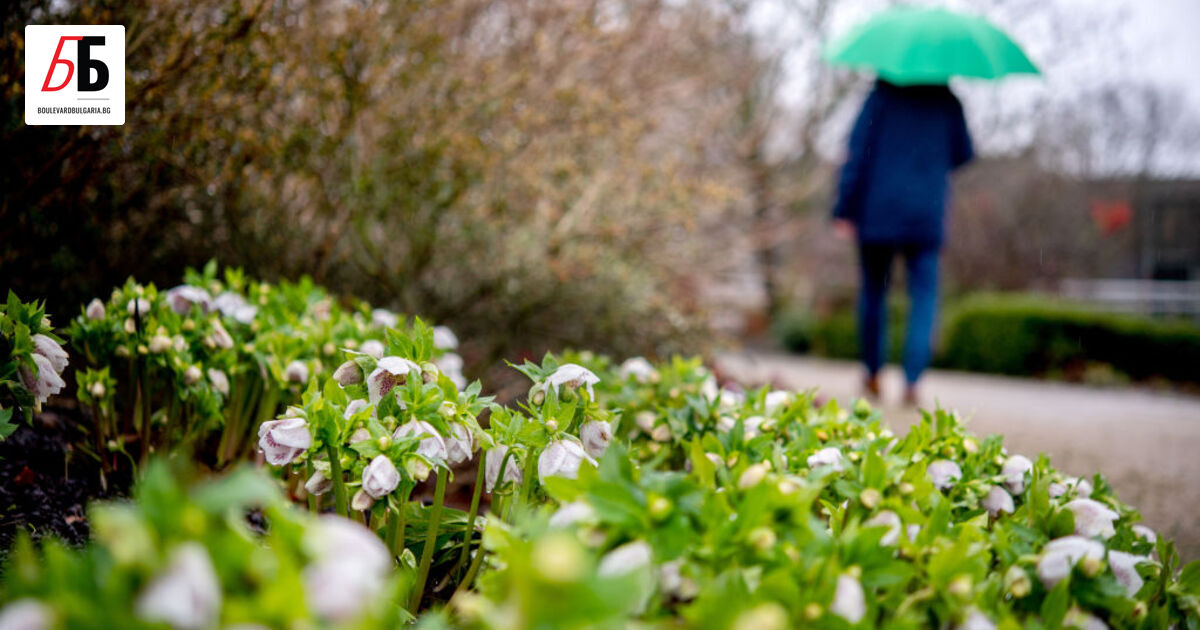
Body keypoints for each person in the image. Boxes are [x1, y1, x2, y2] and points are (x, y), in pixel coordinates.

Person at [831, 78, 974, 405]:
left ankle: (872, 376)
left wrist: (844, 208)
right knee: (924, 298)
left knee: (873, 294)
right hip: (926, 212)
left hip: (877, 210)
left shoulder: (880, 96)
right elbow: (964, 153)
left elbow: (857, 151)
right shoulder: (947, 99)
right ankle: (912, 382)